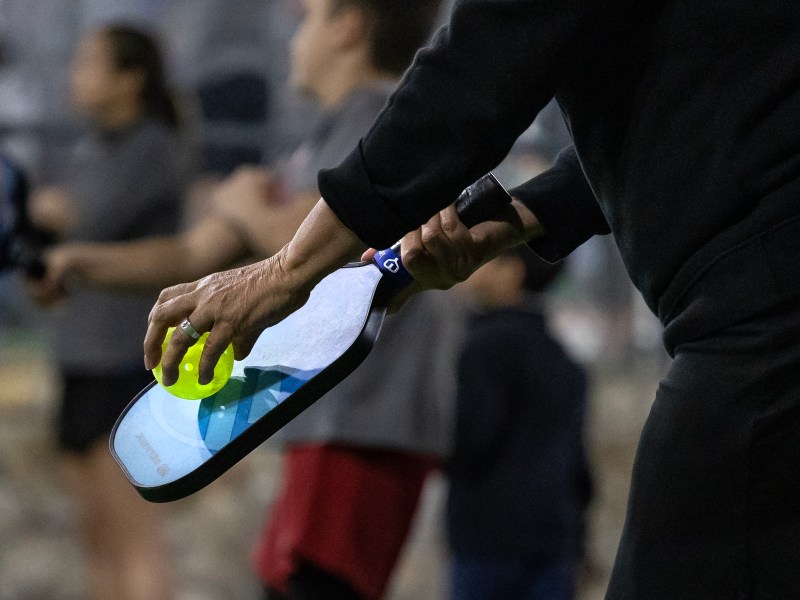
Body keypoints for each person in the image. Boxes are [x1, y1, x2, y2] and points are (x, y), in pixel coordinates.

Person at [143, 2, 800, 598]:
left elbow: (474, 78)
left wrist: (282, 271)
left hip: (761, 319)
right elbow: (669, 109)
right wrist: (513, 219)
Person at [34, 2, 447, 599]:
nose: (291, 36)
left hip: (367, 426)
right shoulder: (321, 137)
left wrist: (250, 209)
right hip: (314, 422)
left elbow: (325, 244)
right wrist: (80, 263)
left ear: (348, 28)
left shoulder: (385, 120)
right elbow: (192, 253)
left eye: (308, 18)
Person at [25, 25, 187, 600]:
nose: (76, 75)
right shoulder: (92, 147)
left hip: (125, 366)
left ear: (130, 79)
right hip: (79, 359)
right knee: (96, 542)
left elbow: (83, 221)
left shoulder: (153, 146)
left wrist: (40, 206)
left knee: (136, 543)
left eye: (91, 63)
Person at [446, 248, 591, 600]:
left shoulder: (484, 346)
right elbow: (579, 465)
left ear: (514, 271)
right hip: (555, 536)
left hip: (488, 540)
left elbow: (470, 440)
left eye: (487, 259)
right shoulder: (563, 357)